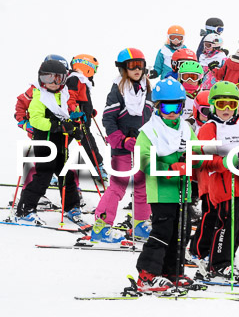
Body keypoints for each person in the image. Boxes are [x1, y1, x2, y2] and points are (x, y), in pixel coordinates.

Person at [134, 78, 202, 292]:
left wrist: (190, 160)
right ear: (157, 107)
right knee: (162, 231)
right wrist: (168, 168)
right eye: (166, 106)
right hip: (161, 191)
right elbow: (143, 159)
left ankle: (173, 272)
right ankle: (147, 275)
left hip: (183, 190)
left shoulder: (185, 129)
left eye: (176, 106)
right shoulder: (149, 131)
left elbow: (198, 153)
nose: (171, 112)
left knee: (181, 232)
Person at [196, 81, 239, 284]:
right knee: (225, 224)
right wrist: (225, 162)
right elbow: (204, 158)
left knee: (237, 226)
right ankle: (218, 264)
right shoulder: (209, 128)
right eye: (222, 104)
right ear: (213, 105)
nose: (227, 109)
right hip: (223, 185)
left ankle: (228, 261)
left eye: (232, 104)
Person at [93, 48, 153, 243]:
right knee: (118, 185)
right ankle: (101, 227)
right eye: (132, 66)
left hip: (142, 145)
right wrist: (122, 140)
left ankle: (140, 225)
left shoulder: (147, 89)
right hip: (122, 146)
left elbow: (152, 118)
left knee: (143, 184)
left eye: (140, 65)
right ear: (123, 69)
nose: (137, 70)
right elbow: (108, 120)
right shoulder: (118, 91)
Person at [14, 58, 84, 226]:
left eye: (57, 78)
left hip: (61, 143)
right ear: (40, 79)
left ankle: (71, 207)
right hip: (44, 141)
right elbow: (36, 120)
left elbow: (69, 115)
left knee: (66, 174)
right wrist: (57, 126)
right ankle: (24, 210)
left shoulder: (64, 95)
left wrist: (75, 128)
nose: (52, 83)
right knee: (43, 176)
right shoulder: (39, 96)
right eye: (48, 78)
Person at [66, 54, 108, 183]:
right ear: (87, 67)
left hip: (83, 119)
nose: (94, 73)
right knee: (88, 144)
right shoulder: (74, 79)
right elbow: (71, 98)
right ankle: (97, 166)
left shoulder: (82, 80)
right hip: (77, 121)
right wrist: (75, 112)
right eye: (94, 69)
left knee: (88, 144)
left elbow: (84, 99)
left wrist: (90, 111)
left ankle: (97, 166)